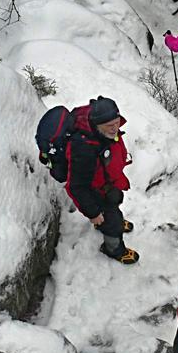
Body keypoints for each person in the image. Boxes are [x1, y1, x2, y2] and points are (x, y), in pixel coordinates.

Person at [66, 96, 139, 265]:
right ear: (97, 125)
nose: (115, 128)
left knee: (115, 201)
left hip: (108, 184)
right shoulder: (84, 150)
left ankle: (110, 222)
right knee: (111, 223)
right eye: (110, 126)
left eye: (117, 122)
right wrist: (93, 213)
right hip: (96, 192)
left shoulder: (103, 132)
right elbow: (76, 187)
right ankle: (113, 249)